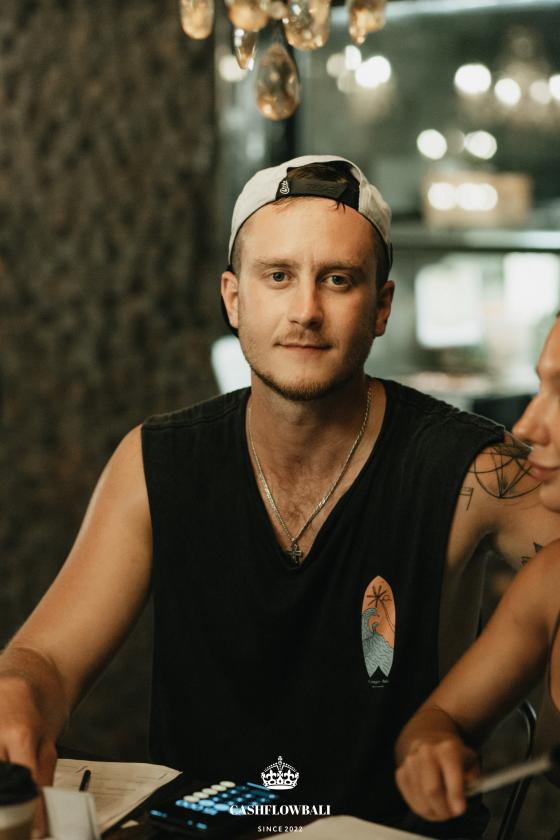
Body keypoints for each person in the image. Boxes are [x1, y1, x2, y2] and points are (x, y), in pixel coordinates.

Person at [1, 155, 559, 838]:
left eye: (338, 280)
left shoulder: (471, 468)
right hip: (200, 831)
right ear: (234, 298)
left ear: (381, 307)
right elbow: (47, 662)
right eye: (278, 276)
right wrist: (17, 692)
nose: (305, 311)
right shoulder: (158, 461)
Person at [395, 314, 560, 826]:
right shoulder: (551, 578)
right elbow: (437, 720)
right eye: (542, 387)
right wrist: (430, 748)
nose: (526, 427)